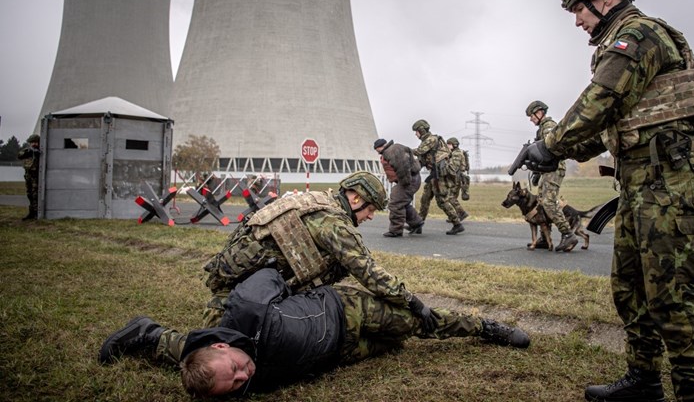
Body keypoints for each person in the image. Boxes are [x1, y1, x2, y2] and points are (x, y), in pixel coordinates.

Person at [516, 0, 694, 401]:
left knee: (677, 303)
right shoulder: (620, 44)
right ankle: (644, 381)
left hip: (669, 190)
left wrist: (550, 144)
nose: (577, 20)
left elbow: (599, 101)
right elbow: (607, 126)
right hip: (640, 188)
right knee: (632, 291)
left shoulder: (638, 36)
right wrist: (556, 151)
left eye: (579, 9)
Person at [102, 172, 443, 365]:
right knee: (226, 357)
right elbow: (367, 271)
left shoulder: (312, 204)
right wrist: (415, 303)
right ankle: (149, 334)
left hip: (256, 290)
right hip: (242, 297)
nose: (369, 217)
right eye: (370, 210)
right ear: (355, 198)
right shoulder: (332, 223)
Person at [102, 268, 531, 397]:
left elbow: (270, 275)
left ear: (222, 345)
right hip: (339, 354)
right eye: (233, 383)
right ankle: (147, 331)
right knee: (394, 347)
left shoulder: (247, 312)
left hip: (345, 310)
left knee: (421, 326)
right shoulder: (218, 376)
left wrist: (296, 296)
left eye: (234, 367)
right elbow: (188, 356)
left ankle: (485, 328)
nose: (242, 375)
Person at [524, 101, 577, 252]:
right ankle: (544, 238)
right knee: (541, 202)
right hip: (547, 170)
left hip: (554, 169)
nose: (531, 119)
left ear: (539, 113)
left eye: (531, 116)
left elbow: (550, 150)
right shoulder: (542, 128)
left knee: (548, 202)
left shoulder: (548, 127)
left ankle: (568, 234)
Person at [411, 119, 464, 235]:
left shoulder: (431, 139)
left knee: (441, 201)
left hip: (440, 175)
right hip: (434, 174)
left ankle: (457, 224)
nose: (416, 134)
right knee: (425, 199)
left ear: (421, 130)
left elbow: (419, 151)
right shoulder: (428, 141)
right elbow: (422, 159)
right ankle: (418, 224)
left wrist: (405, 150)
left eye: (416, 132)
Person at [374, 138, 424, 237]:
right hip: (412, 178)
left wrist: (405, 182)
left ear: (381, 146)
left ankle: (395, 230)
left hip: (409, 180)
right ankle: (416, 223)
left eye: (377, 149)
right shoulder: (392, 149)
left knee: (395, 203)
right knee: (402, 202)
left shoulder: (391, 151)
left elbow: (402, 167)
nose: (377, 151)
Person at [17, 134, 41, 220]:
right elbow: (20, 155)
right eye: (32, 142)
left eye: (36, 142)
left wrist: (37, 152)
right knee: (29, 194)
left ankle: (36, 213)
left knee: (35, 195)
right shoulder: (28, 151)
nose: (34, 144)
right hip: (28, 175)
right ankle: (31, 213)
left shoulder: (39, 151)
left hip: (36, 176)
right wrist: (30, 151)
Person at [445, 137, 469, 222]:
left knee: (450, 197)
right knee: (452, 197)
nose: (447, 146)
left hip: (456, 179)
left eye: (449, 144)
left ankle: (461, 213)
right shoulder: (453, 153)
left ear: (454, 145)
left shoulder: (457, 154)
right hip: (456, 178)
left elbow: (453, 167)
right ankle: (453, 216)